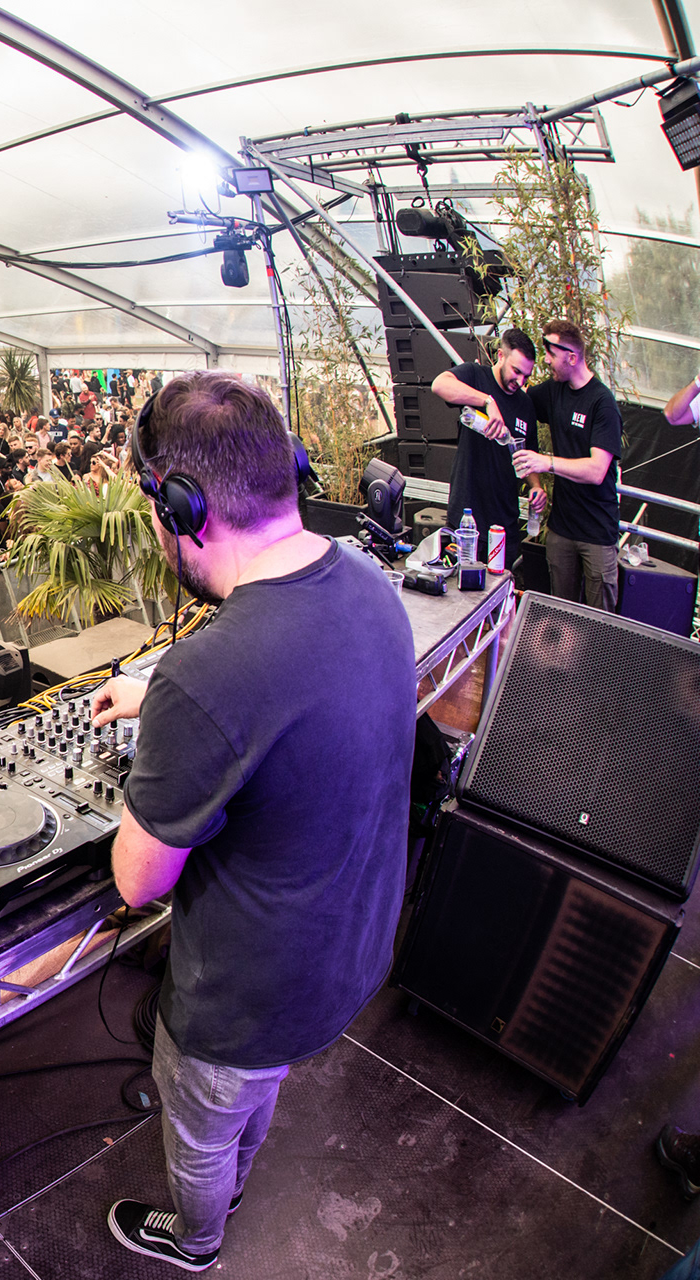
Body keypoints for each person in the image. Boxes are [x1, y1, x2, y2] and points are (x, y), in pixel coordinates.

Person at [87, 372, 416, 1271]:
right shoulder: (369, 583)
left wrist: (173, 715)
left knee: (201, 1123)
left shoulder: (209, 675)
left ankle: (198, 1238)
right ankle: (233, 1185)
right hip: (348, 952)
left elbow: (138, 881)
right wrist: (164, 692)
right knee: (253, 1090)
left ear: (182, 507)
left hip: (244, 997)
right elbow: (293, 688)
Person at [513, 319, 624, 610]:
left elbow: (596, 471)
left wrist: (546, 462)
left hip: (597, 532)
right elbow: (517, 400)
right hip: (561, 528)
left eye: (551, 353)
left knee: (600, 618)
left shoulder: (602, 403)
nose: (546, 360)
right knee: (561, 612)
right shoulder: (553, 391)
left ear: (572, 357)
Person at [428, 327, 541, 550]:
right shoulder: (476, 375)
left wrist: (536, 486)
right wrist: (487, 402)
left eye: (526, 376)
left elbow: (529, 456)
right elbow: (439, 385)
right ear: (501, 355)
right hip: (468, 518)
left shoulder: (525, 405)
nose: (520, 381)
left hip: (505, 522)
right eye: (516, 371)